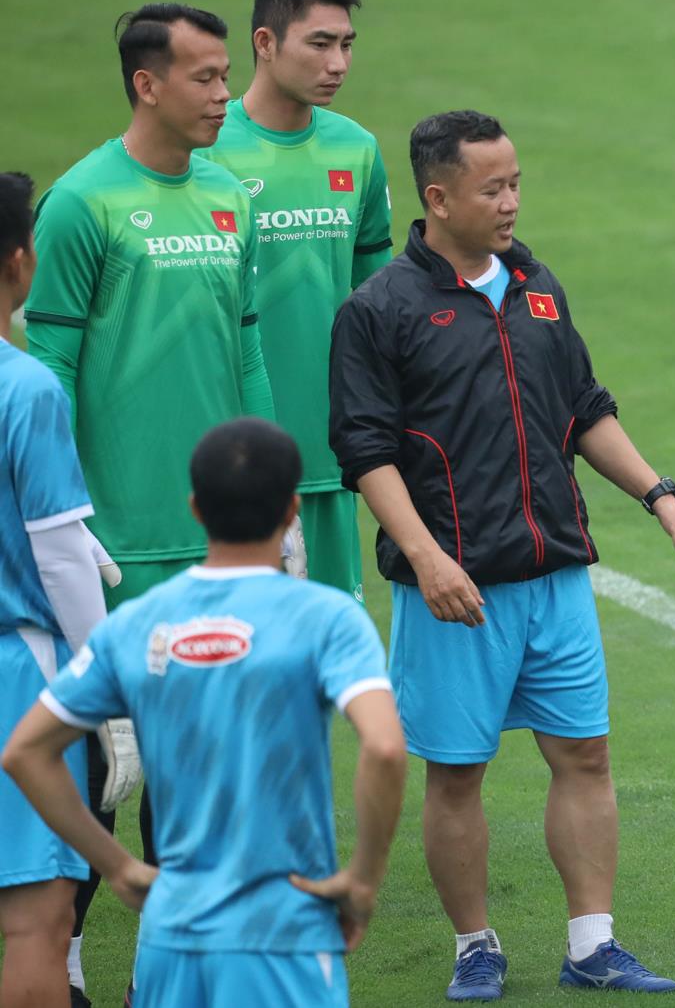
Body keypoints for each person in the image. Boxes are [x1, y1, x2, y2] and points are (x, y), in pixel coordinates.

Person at [329, 109, 675, 1000]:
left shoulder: (537, 283)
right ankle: (475, 944)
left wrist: (661, 497)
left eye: (516, 183)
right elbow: (365, 452)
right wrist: (426, 559)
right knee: (457, 771)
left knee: (585, 756)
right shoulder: (380, 310)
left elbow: (582, 406)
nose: (510, 202)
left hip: (556, 579)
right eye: (492, 187)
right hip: (455, 589)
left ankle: (593, 943)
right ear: (437, 197)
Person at [24, 3, 275, 999]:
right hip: (114, 547)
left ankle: (170, 970)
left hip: (216, 546)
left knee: (197, 773)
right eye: (207, 78)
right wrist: (68, 527)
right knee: (98, 769)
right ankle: (69, 958)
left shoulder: (229, 193)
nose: (224, 96)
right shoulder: (82, 203)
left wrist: (276, 493)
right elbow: (47, 374)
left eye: (224, 76)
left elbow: (246, 346)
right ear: (147, 84)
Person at [2, 417, 406, 1007]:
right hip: (284, 933)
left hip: (171, 936)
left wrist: (116, 866)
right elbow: (385, 746)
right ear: (292, 508)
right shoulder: (327, 619)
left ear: (194, 508)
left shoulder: (136, 624)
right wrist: (363, 879)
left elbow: (25, 751)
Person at [200, 0, 392, 601]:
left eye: (346, 46)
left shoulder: (356, 149)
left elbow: (378, 303)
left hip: (333, 453)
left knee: (326, 655)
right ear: (264, 43)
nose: (338, 63)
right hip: (230, 458)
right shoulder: (204, 150)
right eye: (319, 43)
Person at [0, 170, 127, 1008]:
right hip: (21, 679)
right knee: (36, 927)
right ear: (20, 262)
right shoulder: (28, 387)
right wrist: (106, 693)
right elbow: (60, 559)